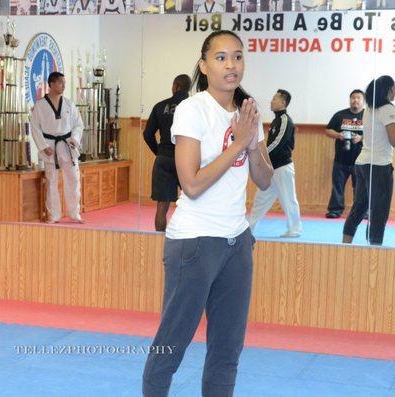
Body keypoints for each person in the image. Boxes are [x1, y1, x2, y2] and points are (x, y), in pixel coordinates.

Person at [142, 30, 273, 397]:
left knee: (228, 350)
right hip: (194, 243)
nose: (231, 64)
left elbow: (263, 179)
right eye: (220, 57)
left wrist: (253, 139)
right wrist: (238, 144)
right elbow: (193, 185)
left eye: (237, 56)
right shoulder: (192, 109)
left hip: (236, 243)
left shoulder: (249, 112)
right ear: (204, 65)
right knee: (172, 345)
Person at [343, 76, 395, 246]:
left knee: (359, 208)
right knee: (379, 213)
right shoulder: (388, 108)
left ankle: (345, 245)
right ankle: (374, 252)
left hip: (362, 163)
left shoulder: (369, 109)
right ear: (388, 89)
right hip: (379, 166)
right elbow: (393, 140)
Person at [31, 72, 84, 224]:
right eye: (61, 82)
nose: (64, 85)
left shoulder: (69, 104)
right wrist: (43, 146)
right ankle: (54, 215)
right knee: (52, 181)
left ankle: (75, 213)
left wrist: (74, 139)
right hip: (50, 147)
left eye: (64, 82)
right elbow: (35, 128)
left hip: (67, 145)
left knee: (73, 179)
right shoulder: (40, 106)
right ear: (52, 84)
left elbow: (78, 124)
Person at [248, 89, 302, 237]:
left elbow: (277, 143)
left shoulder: (285, 120)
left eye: (274, 99)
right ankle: (249, 228)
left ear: (283, 103)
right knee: (261, 198)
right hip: (272, 168)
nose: (271, 101)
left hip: (283, 168)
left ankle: (295, 229)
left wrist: (260, 155)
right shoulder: (276, 121)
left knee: (289, 199)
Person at [143, 74, 191, 232]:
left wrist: (159, 152)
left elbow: (147, 134)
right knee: (191, 205)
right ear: (188, 88)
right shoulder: (194, 106)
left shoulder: (160, 106)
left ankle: (158, 242)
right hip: (186, 159)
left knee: (162, 206)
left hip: (164, 157)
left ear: (175, 86)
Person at [325, 90, 365, 218]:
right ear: (350, 100)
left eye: (358, 98)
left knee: (360, 189)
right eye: (353, 97)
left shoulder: (368, 116)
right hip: (341, 159)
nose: (355, 100)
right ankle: (335, 211)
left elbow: (375, 134)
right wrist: (338, 135)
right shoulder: (340, 115)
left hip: (360, 161)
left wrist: (361, 138)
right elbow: (328, 130)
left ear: (363, 101)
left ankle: (361, 212)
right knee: (337, 187)